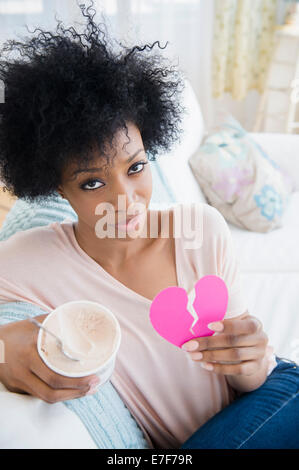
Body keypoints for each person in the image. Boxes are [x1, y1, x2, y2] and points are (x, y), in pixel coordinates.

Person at [0, 0, 298, 450]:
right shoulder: (29, 259)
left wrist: (253, 361)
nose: (124, 199)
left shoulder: (202, 231)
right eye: (93, 181)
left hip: (274, 397)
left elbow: (249, 382)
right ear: (57, 189)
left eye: (136, 167)